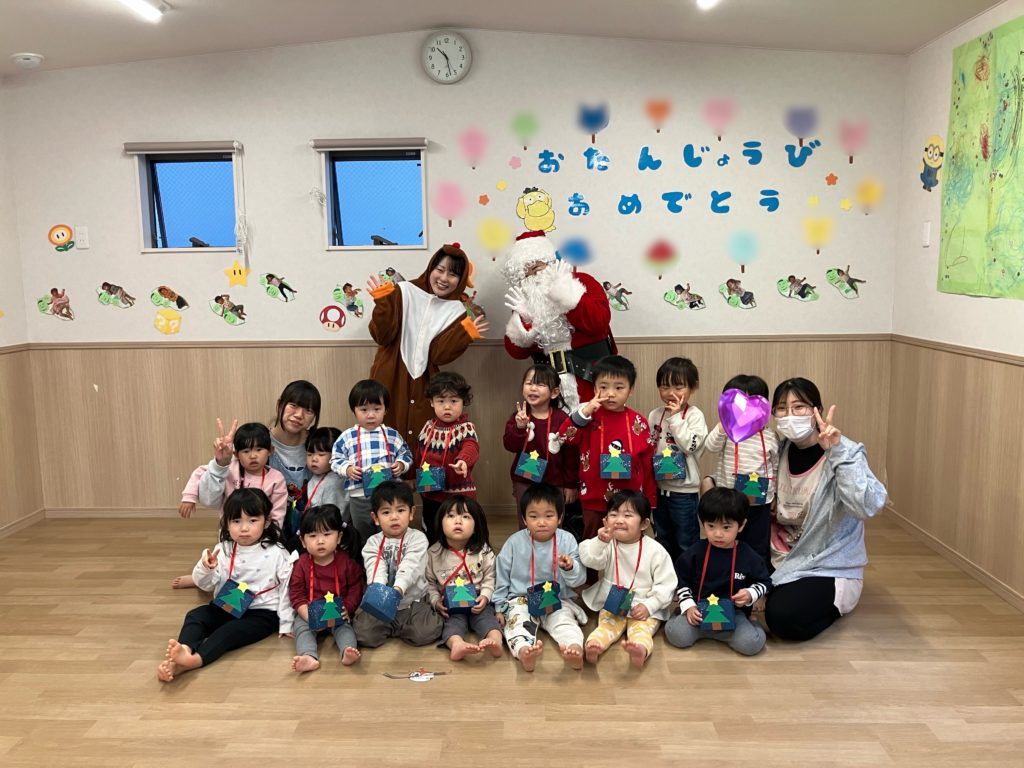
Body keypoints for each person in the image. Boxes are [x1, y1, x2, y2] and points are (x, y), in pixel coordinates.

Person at [764, 378, 886, 641]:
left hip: (825, 562)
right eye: (782, 408)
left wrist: (837, 452)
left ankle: (836, 602)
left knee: (781, 619)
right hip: (781, 552)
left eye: (799, 407)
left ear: (816, 410)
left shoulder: (845, 450)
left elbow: (867, 506)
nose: (790, 415)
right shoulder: (780, 449)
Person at [157, 488, 296, 682]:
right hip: (229, 605)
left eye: (252, 520)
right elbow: (204, 584)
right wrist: (206, 568)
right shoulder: (223, 549)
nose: (244, 528)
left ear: (266, 522)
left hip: (263, 613)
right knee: (195, 616)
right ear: (227, 523)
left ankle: (195, 660)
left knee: (229, 632)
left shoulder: (277, 552)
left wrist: (287, 623)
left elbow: (288, 588)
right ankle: (184, 652)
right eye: (236, 521)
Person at [367, 243, 489, 443]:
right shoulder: (404, 291)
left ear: (460, 280)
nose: (444, 278)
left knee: (423, 435)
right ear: (431, 268)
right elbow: (382, 336)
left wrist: (463, 335)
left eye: (452, 274)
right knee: (384, 429)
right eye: (440, 270)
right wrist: (383, 304)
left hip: (425, 380)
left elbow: (438, 356)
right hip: (390, 371)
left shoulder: (457, 310)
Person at [502, 230, 615, 411]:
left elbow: (599, 322)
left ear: (550, 263)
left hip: (594, 381)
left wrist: (567, 296)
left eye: (537, 269)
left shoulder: (582, 282)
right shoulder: (524, 300)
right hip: (550, 391)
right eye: (526, 274)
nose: (533, 278)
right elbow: (516, 352)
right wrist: (526, 320)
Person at [554, 355, 656, 546]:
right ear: (594, 389)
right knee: (592, 544)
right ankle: (590, 568)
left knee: (626, 545)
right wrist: (585, 412)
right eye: (603, 387)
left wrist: (650, 499)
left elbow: (647, 463)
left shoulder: (638, 422)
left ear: (630, 390)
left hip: (628, 501)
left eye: (619, 388)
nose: (610, 393)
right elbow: (564, 436)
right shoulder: (587, 418)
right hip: (593, 496)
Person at [173, 420, 288, 589]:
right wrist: (189, 497)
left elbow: (278, 512)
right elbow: (200, 473)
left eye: (259, 449)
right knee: (225, 561)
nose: (253, 456)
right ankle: (200, 578)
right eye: (246, 451)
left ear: (270, 450)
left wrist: (271, 537)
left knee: (259, 566)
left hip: (262, 533)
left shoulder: (276, 478)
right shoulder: (229, 467)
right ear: (236, 454)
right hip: (231, 532)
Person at [665, 488, 771, 656]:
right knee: (678, 636)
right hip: (698, 611)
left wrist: (750, 594)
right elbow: (680, 578)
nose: (718, 534)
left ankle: (752, 623)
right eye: (711, 526)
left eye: (726, 527)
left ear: (741, 525)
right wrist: (688, 605)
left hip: (734, 614)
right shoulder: (696, 551)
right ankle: (679, 613)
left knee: (751, 644)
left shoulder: (748, 555)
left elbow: (765, 582)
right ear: (703, 523)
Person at [493, 483, 587, 672]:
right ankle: (524, 651)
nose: (541, 522)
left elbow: (579, 580)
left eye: (549, 516)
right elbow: (501, 576)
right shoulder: (514, 542)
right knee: (516, 623)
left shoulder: (567, 540)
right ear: (524, 519)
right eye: (534, 516)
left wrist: (570, 568)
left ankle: (574, 648)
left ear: (560, 518)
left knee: (565, 622)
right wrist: (500, 606)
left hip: (557, 598)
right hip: (521, 598)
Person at [578, 491, 675, 668]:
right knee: (605, 626)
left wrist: (650, 605)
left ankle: (639, 649)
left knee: (641, 630)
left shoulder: (656, 551)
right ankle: (594, 646)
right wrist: (600, 541)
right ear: (605, 520)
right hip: (613, 602)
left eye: (628, 515)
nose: (619, 520)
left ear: (644, 523)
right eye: (614, 515)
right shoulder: (607, 543)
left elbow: (666, 584)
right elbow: (589, 559)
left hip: (643, 605)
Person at [352, 481, 443, 648]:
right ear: (375, 518)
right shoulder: (373, 542)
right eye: (386, 512)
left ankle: (399, 626)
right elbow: (375, 567)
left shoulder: (418, 538)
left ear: (411, 513)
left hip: (412, 601)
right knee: (363, 634)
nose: (394, 517)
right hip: (381, 602)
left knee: (425, 633)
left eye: (400, 510)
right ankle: (396, 627)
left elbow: (411, 566)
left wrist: (398, 589)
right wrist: (381, 593)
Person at [703, 374, 779, 569]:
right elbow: (710, 446)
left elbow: (775, 466)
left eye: (750, 404)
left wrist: (774, 494)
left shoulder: (769, 435)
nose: (744, 410)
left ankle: (757, 577)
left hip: (760, 501)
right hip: (729, 499)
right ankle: (727, 573)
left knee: (757, 542)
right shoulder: (727, 432)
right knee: (728, 539)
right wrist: (723, 425)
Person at [330, 380, 413, 546]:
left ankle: (393, 560)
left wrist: (401, 465)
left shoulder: (392, 435)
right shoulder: (347, 436)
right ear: (354, 410)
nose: (370, 415)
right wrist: (347, 469)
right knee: (363, 537)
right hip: (359, 497)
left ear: (385, 410)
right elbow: (335, 459)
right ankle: (366, 562)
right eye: (364, 410)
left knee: (392, 536)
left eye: (377, 409)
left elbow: (406, 453)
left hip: (389, 497)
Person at [425, 496, 503, 660]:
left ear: (475, 527)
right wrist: (435, 601)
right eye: (451, 516)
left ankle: (495, 641)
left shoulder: (483, 551)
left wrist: (485, 596)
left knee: (488, 620)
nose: (458, 521)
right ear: (440, 523)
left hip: (478, 601)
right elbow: (430, 583)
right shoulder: (433, 553)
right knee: (451, 625)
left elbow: (490, 576)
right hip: (450, 605)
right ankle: (457, 644)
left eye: (466, 516)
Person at [502, 364, 580, 528]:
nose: (533, 388)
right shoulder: (519, 417)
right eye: (529, 383)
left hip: (554, 482)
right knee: (526, 524)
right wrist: (520, 427)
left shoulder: (562, 419)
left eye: (540, 384)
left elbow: (571, 455)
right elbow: (509, 445)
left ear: (554, 392)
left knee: (553, 524)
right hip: (524, 481)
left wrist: (570, 484)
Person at [289, 504, 365, 673]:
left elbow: (356, 587)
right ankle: (308, 656)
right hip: (309, 611)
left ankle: (347, 651)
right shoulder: (301, 564)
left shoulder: (346, 562)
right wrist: (306, 614)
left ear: (339, 537)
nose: (320, 541)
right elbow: (296, 593)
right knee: (301, 628)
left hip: (336, 611)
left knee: (345, 628)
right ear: (303, 541)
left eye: (327, 534)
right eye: (313, 536)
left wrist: (348, 608)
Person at [648, 357, 708, 561]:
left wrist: (675, 418)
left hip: (684, 492)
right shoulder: (655, 415)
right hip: (659, 488)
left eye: (679, 386)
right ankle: (667, 575)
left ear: (693, 387)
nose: (671, 393)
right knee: (662, 538)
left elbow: (689, 446)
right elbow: (650, 447)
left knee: (686, 540)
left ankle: (688, 576)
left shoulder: (694, 415)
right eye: (665, 387)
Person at [415, 372, 480, 545]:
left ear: (463, 401)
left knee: (458, 534)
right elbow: (419, 454)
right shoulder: (428, 427)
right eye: (441, 401)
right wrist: (414, 477)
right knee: (432, 531)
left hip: (457, 495)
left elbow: (471, 447)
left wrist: (463, 460)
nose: (447, 407)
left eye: (454, 401)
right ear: (431, 402)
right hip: (430, 492)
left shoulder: (465, 428)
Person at [283, 426, 347, 549]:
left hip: (326, 536)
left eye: (321, 454)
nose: (314, 459)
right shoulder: (316, 477)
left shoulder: (335, 482)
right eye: (309, 454)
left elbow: (336, 517)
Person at [269, 380, 322, 514]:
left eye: (308, 410)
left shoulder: (319, 444)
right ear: (279, 405)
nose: (299, 415)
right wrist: (222, 464)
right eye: (293, 405)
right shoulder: (258, 443)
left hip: (312, 523)